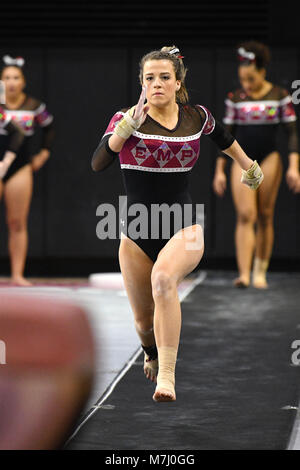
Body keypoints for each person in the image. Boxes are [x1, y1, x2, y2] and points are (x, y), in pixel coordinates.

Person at [91, 46, 263, 402]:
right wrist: (127, 127)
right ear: (141, 83)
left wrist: (249, 166)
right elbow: (99, 162)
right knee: (142, 322)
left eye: (164, 77)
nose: (157, 84)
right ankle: (151, 352)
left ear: (178, 82)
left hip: (182, 224)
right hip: (137, 231)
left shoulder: (196, 117)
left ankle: (166, 377)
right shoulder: (126, 117)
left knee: (164, 279)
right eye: (149, 78)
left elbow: (225, 140)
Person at [213, 41, 300, 289]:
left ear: (263, 72)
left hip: (270, 157)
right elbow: (225, 135)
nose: (246, 85)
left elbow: (292, 133)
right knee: (245, 215)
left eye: (251, 79)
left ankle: (259, 271)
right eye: (242, 80)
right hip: (243, 159)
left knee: (264, 214)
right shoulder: (235, 99)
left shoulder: (280, 96)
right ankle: (243, 273)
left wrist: (294, 167)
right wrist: (219, 170)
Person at [0, 55, 55, 286]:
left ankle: (17, 274)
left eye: (16, 77)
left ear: (23, 81)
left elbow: (49, 126)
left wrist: (44, 152)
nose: (12, 82)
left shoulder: (34, 106)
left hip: (19, 166)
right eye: (7, 78)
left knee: (17, 222)